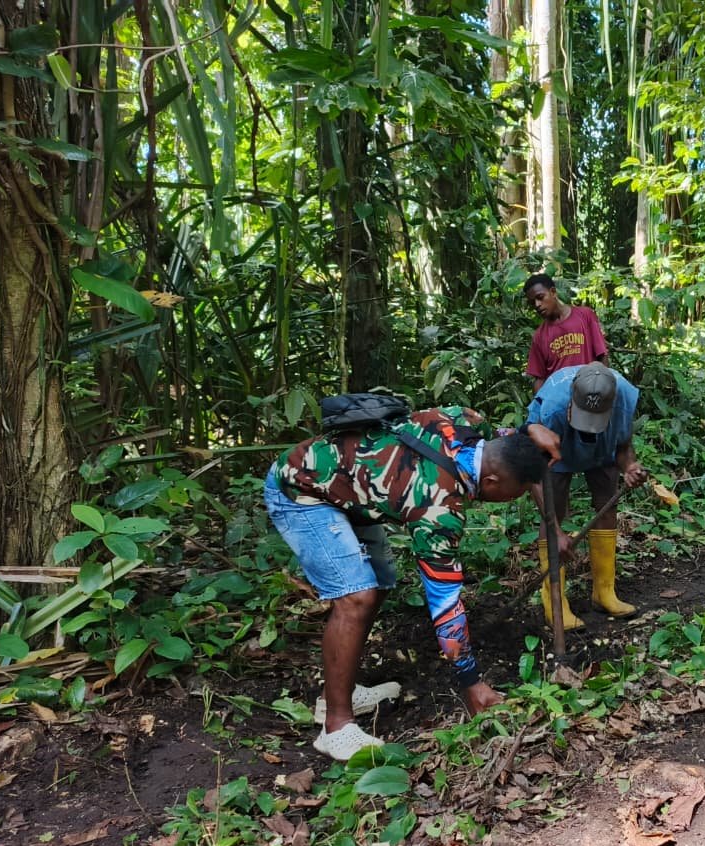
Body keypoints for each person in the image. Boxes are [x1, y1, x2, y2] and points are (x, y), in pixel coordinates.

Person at [265, 407, 546, 760]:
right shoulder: (439, 507)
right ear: (490, 481)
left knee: (380, 582)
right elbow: (445, 602)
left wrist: (527, 433)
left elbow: (503, 439)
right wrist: (471, 681)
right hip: (300, 490)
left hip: (350, 489)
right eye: (515, 493)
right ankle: (335, 726)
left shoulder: (467, 423)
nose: (513, 499)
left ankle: (338, 691)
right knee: (356, 597)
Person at [525, 363, 649, 629]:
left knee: (607, 501)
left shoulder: (623, 397)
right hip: (558, 444)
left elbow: (623, 447)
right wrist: (556, 531)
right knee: (554, 505)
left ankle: (604, 593)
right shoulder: (552, 409)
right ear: (572, 399)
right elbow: (535, 474)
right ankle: (555, 604)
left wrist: (630, 467)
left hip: (602, 448)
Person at [525, 273, 610, 393]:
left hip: (589, 392)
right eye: (532, 302)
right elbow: (539, 378)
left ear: (553, 292)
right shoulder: (539, 336)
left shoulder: (585, 316)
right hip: (559, 399)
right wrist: (541, 403)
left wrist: (602, 390)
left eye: (540, 297)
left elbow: (602, 355)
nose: (537, 305)